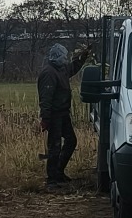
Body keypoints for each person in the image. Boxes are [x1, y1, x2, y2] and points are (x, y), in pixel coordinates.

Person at [37, 41, 91, 186]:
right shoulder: (48, 73)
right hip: (54, 115)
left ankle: (59, 172)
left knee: (71, 141)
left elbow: (73, 67)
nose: (66, 59)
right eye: (64, 56)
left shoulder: (61, 69)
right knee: (54, 146)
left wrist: (83, 56)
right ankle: (52, 179)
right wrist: (45, 119)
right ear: (57, 57)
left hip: (63, 113)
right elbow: (46, 98)